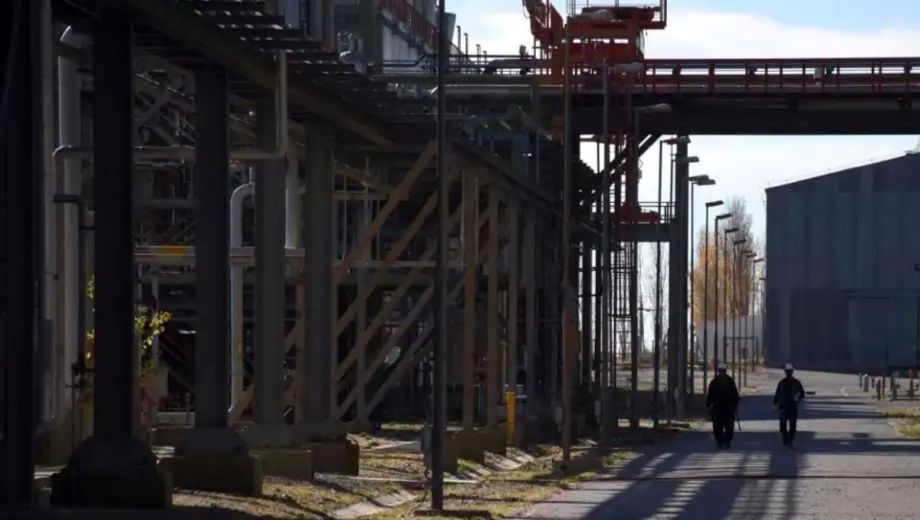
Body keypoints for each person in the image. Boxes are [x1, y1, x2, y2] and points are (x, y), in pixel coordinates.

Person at [706, 362, 740, 449]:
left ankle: (727, 440)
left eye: (723, 371)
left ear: (725, 371)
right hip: (717, 408)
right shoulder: (714, 382)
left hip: (728, 408)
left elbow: (735, 395)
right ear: (718, 371)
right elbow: (710, 395)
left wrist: (734, 405)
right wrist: (709, 405)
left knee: (729, 427)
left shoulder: (730, 381)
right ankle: (719, 442)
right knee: (717, 427)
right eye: (720, 371)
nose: (721, 373)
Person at [774, 362, 806, 448]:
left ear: (792, 372)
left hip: (792, 406)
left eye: (789, 371)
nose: (788, 373)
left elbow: (802, 393)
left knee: (792, 426)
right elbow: (777, 393)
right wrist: (776, 402)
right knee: (782, 427)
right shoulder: (782, 382)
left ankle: (790, 441)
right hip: (784, 406)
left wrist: (798, 399)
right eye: (787, 371)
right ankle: (786, 438)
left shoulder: (796, 382)